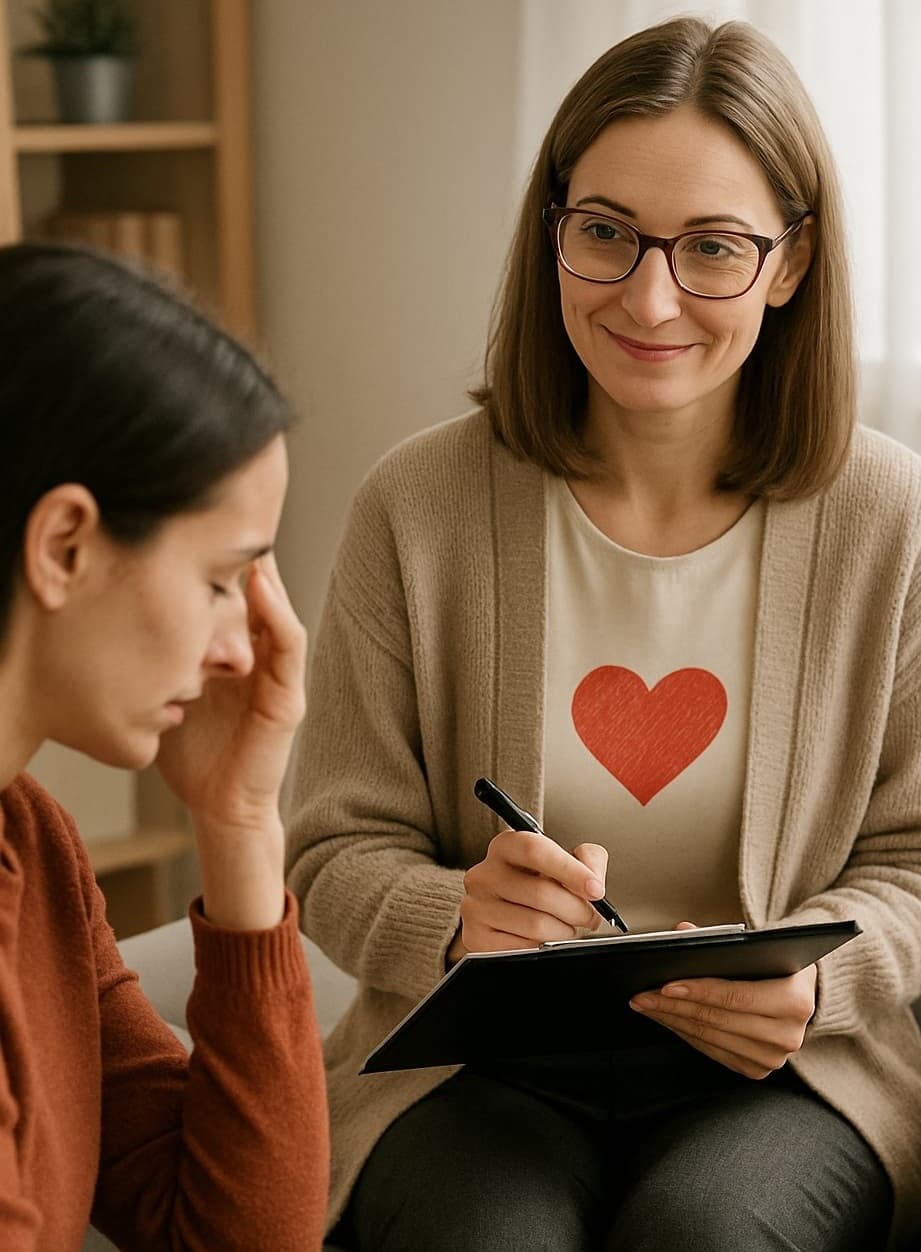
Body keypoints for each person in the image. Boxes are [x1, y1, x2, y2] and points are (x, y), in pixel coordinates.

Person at [287, 16, 921, 1252]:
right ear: (553, 231)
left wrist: (818, 982)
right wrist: (460, 921)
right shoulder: (415, 507)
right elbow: (332, 848)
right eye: (606, 233)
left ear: (791, 262)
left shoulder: (888, 520)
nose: (649, 295)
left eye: (714, 249)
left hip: (792, 1080)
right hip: (473, 1079)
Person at [0, 242, 329, 1251]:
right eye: (222, 580)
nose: (243, 648)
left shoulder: (35, 847)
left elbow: (239, 1237)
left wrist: (237, 828)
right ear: (65, 546)